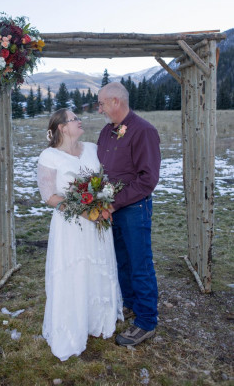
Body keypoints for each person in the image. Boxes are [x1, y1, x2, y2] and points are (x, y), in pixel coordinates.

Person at [37, 108, 123, 361]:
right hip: (71, 226)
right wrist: (82, 210)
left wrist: (102, 203)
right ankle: (72, 327)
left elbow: (103, 180)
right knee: (74, 271)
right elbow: (49, 196)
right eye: (75, 119)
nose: (80, 121)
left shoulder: (92, 148)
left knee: (98, 268)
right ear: (62, 128)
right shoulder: (49, 156)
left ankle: (98, 321)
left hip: (97, 222)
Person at [97, 82, 161, 347]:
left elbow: (148, 180)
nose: (99, 109)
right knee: (121, 261)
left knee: (140, 263)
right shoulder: (106, 132)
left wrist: (114, 203)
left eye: (101, 104)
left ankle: (146, 321)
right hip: (111, 208)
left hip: (134, 208)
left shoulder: (144, 131)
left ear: (115, 102)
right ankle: (132, 306)